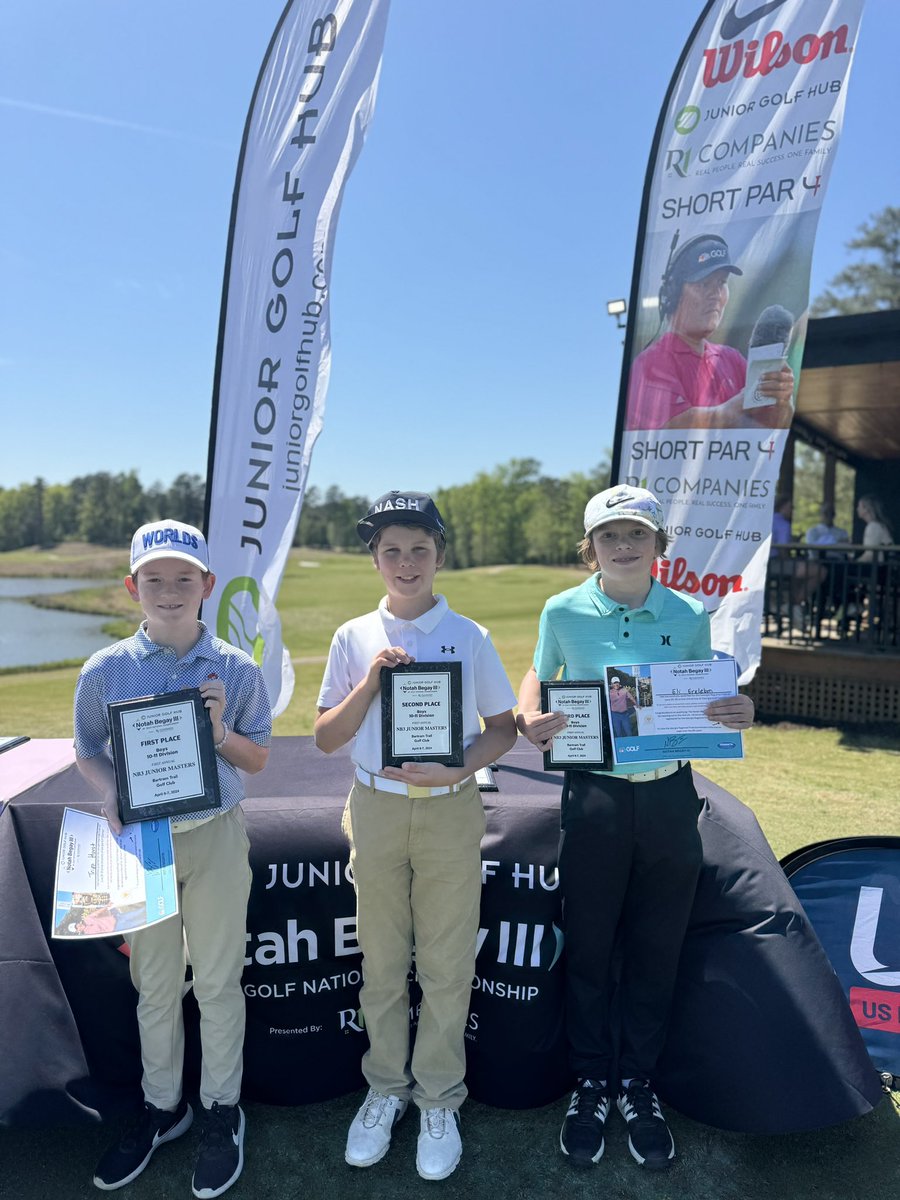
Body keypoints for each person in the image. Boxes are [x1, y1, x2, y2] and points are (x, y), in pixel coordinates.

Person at [516, 485, 753, 1173]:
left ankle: (637, 1085)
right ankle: (591, 1082)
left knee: (656, 944)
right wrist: (529, 715)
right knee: (589, 945)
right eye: (610, 535)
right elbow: (541, 671)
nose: (624, 545)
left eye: (637, 533)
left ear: (658, 543)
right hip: (594, 795)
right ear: (590, 546)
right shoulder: (562, 608)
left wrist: (733, 711)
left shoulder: (685, 611)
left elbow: (701, 697)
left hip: (669, 797)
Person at [315, 491, 516, 1182]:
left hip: (450, 809)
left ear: (439, 555)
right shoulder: (352, 637)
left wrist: (455, 766)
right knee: (380, 959)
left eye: (419, 549)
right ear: (375, 558)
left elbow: (502, 727)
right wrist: (370, 682)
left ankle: (437, 1098)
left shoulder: (471, 634)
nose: (406, 563)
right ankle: (385, 1089)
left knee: (446, 962)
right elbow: (324, 736)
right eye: (391, 550)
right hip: (373, 806)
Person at [74, 519, 271, 1198]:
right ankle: (165, 1108)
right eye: (153, 579)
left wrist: (217, 733)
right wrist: (109, 797)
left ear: (207, 586)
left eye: (183, 578)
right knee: (155, 985)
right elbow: (88, 751)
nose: (168, 590)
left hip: (216, 831)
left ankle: (222, 1109)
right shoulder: (104, 670)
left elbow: (259, 758)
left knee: (218, 983)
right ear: (132, 587)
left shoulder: (237, 669)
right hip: (143, 842)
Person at [626, 233, 794, 430]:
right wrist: (744, 400)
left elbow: (770, 429)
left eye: (721, 283)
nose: (715, 294)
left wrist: (781, 399)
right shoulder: (650, 365)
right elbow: (675, 430)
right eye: (704, 284)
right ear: (673, 294)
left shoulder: (732, 359)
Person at [857, 494, 894, 563]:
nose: (857, 509)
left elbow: (869, 555)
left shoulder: (873, 527)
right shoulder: (880, 525)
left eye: (859, 506)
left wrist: (854, 564)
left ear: (866, 509)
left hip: (876, 568)